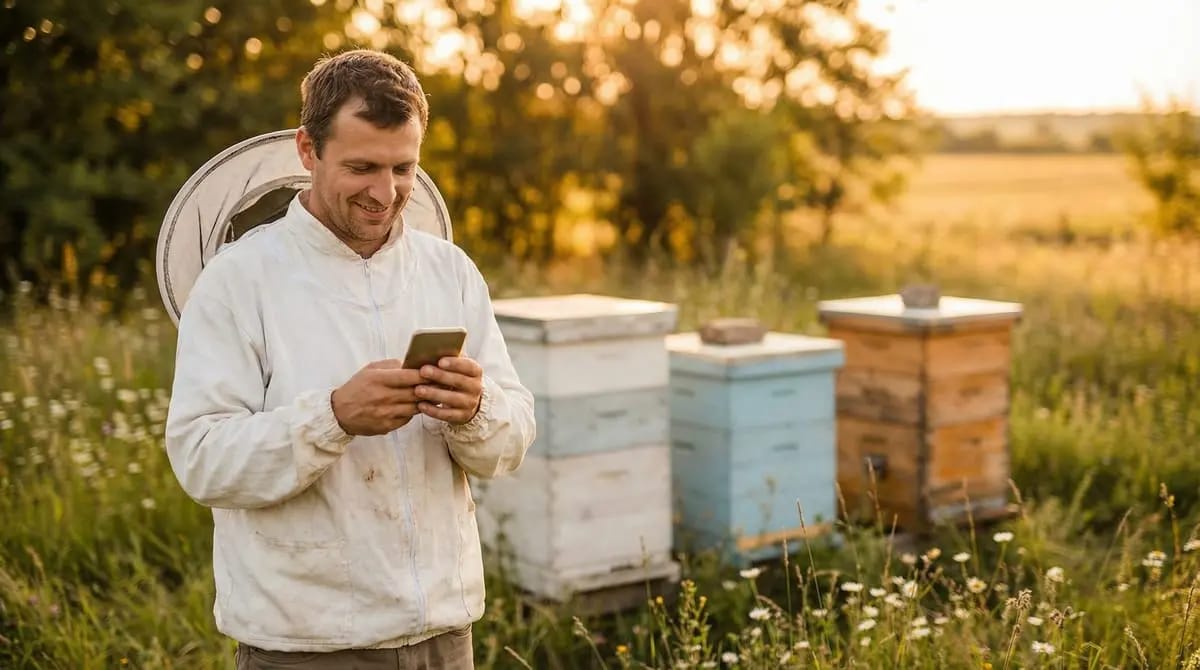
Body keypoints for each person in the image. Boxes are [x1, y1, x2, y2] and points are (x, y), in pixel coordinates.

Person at [165, 49, 536, 669]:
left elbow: (513, 440)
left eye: (403, 168)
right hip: (307, 644)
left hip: (444, 637)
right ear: (307, 150)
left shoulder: (450, 271)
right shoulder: (239, 280)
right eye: (362, 167)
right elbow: (202, 459)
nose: (385, 193)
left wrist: (476, 409)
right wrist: (333, 417)